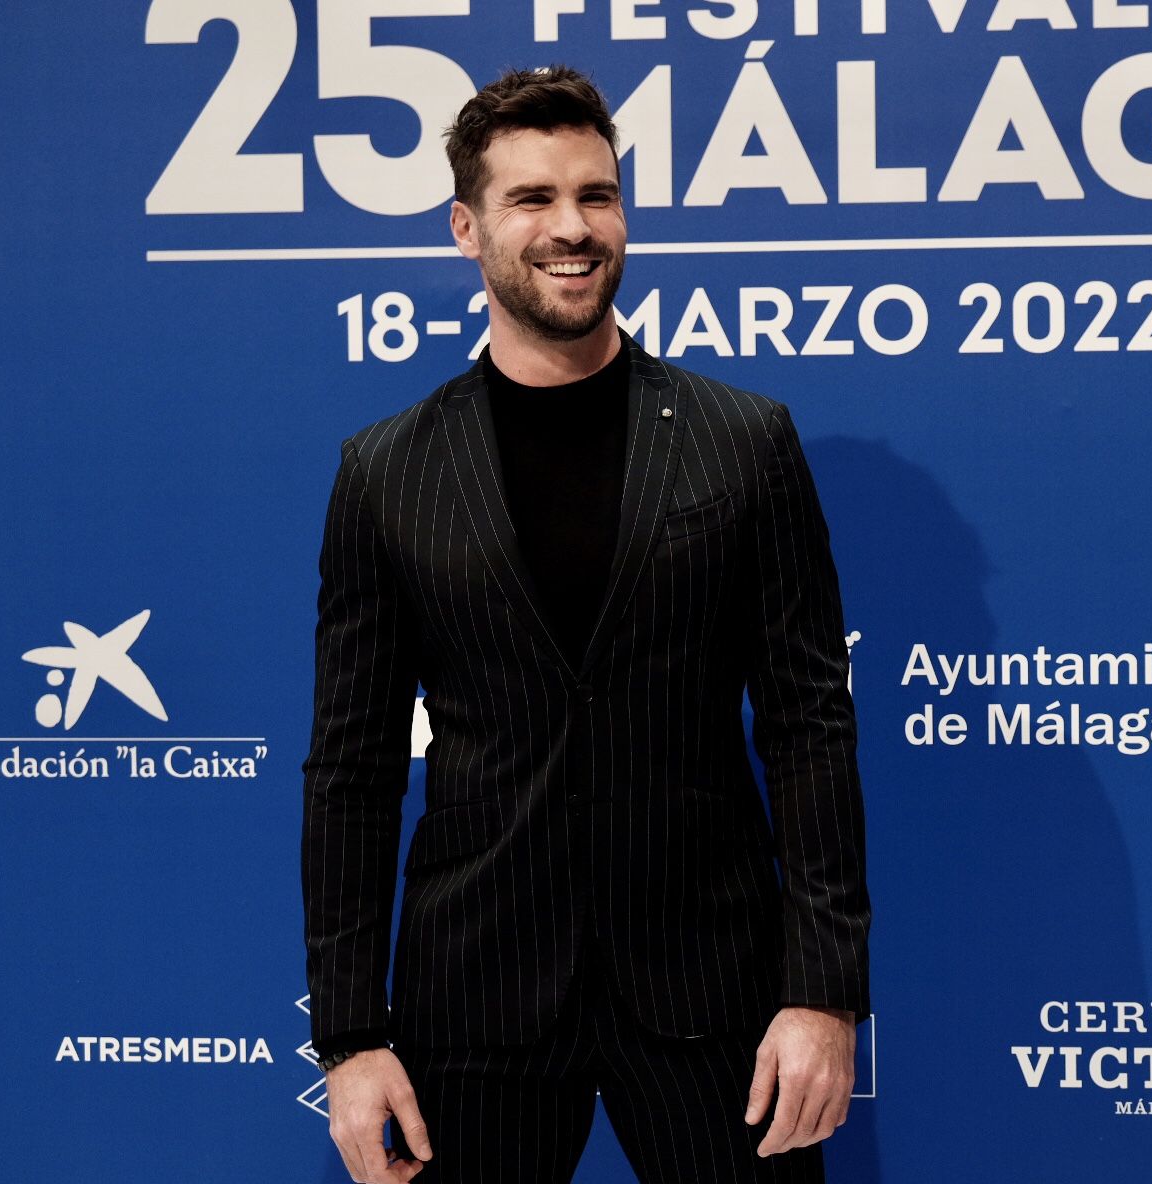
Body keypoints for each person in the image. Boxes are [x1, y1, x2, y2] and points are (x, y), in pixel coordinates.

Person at [300, 65, 871, 1184]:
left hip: (718, 992)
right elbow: (352, 770)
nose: (573, 228)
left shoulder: (742, 440)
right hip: (478, 996)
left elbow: (810, 725)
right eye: (533, 199)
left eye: (596, 195)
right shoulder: (385, 473)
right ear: (467, 228)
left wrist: (825, 990)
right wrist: (352, 1034)